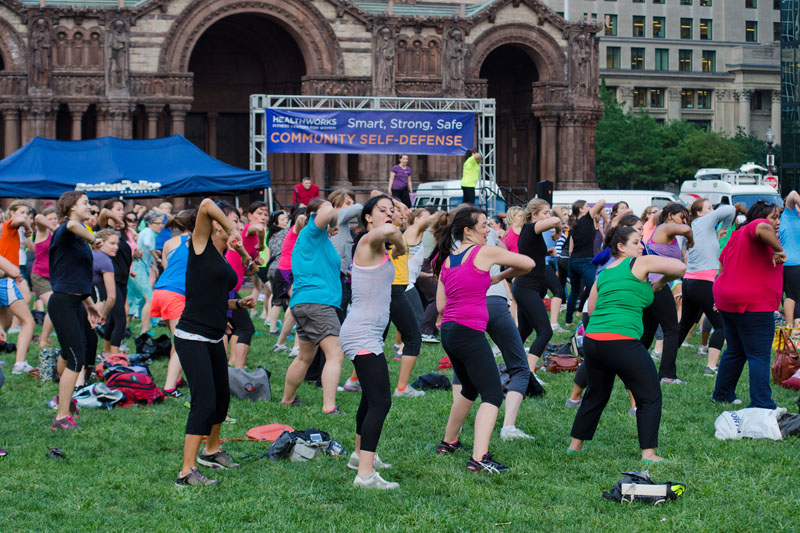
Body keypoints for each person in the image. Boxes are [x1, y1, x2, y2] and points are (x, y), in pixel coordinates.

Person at [568, 226, 686, 462]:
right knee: (650, 395)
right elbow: (680, 267)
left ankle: (575, 446)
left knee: (596, 394)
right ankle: (649, 453)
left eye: (641, 241)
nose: (641, 246)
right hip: (621, 342)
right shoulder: (638, 264)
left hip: (593, 341)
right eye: (636, 242)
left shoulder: (604, 273)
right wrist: (662, 281)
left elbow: (591, 310)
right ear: (621, 247)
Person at [432, 207, 534, 473]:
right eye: (484, 225)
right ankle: (479, 458)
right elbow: (528, 263)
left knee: (468, 386)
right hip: (468, 332)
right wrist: (499, 276)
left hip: (450, 332)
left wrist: (484, 281)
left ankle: (449, 441)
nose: (488, 229)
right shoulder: (484, 252)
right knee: (491, 394)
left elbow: (441, 304)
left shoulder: (447, 260)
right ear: (468, 230)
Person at [174, 199, 254, 486]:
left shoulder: (221, 258)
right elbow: (207, 204)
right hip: (192, 336)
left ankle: (211, 450)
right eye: (231, 220)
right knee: (204, 401)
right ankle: (185, 472)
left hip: (213, 336)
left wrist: (238, 304)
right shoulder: (200, 247)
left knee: (222, 397)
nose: (236, 226)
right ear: (217, 226)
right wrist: (233, 228)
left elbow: (215, 296)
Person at [340, 195, 406, 489]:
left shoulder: (379, 247)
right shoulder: (367, 241)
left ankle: (359, 456)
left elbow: (396, 235)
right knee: (381, 400)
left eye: (392, 210)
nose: (389, 215)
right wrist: (400, 240)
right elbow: (394, 234)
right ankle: (365, 475)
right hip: (362, 333)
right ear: (367, 217)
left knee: (370, 397)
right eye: (383, 210)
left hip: (369, 332)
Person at [712, 200, 785, 409]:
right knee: (759, 354)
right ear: (761, 218)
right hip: (751, 304)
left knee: (736, 350)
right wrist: (778, 250)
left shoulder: (738, 234)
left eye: (778, 218)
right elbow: (761, 227)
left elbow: (723, 262)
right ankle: (762, 403)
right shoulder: (757, 226)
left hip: (729, 299)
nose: (777, 222)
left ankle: (722, 394)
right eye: (774, 217)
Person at [280, 198, 346, 414]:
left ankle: (287, 400)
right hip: (317, 303)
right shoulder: (311, 231)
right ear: (313, 215)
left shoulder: (316, 238)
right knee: (335, 354)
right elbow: (329, 212)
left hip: (305, 303)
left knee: (304, 356)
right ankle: (329, 407)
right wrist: (333, 220)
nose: (333, 210)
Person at [48, 191, 103, 430]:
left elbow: (77, 276)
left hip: (75, 302)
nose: (90, 206)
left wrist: (90, 305)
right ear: (71, 207)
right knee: (76, 357)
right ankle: (62, 417)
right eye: (85, 203)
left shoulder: (79, 240)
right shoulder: (66, 230)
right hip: (62, 302)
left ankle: (63, 394)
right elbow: (71, 224)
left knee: (77, 348)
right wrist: (93, 239)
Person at [676, 199, 738, 377]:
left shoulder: (696, 226)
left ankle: (667, 365)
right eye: (709, 208)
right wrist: (726, 225)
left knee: (684, 325)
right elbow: (730, 208)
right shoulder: (705, 221)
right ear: (700, 213)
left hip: (689, 282)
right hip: (703, 282)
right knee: (721, 325)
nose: (713, 210)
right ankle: (711, 366)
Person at [642, 202, 692, 385]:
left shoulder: (667, 232)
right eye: (681, 216)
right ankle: (667, 375)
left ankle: (630, 366)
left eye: (686, 217)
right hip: (657, 286)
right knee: (672, 329)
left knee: (647, 331)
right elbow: (686, 229)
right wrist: (692, 239)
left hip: (652, 285)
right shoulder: (665, 227)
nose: (684, 221)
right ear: (670, 215)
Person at [513, 199, 563, 371]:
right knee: (545, 332)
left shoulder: (532, 233)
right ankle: (529, 373)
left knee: (523, 332)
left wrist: (545, 252)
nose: (548, 216)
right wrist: (558, 231)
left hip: (531, 287)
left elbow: (531, 253)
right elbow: (557, 220)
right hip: (526, 288)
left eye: (548, 212)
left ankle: (513, 367)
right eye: (545, 212)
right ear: (534, 215)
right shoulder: (531, 228)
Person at [151, 210, 195, 397]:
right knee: (183, 342)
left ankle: (176, 378)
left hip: (161, 291)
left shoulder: (169, 242)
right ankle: (169, 388)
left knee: (178, 340)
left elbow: (166, 267)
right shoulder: (195, 241)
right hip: (175, 293)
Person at [97, 199, 139, 354]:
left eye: (122, 209)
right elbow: (103, 213)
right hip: (109, 281)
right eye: (118, 209)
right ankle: (115, 358)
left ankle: (107, 351)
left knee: (114, 319)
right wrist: (115, 219)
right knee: (121, 318)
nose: (122, 212)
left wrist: (134, 258)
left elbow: (121, 257)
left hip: (122, 280)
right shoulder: (105, 230)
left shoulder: (121, 232)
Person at [0, 200, 36, 374]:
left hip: (7, 278)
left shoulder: (12, 231)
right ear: (11, 213)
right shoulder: (9, 226)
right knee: (28, 320)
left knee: (4, 323)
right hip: (6, 280)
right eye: (22, 212)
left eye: (27, 213)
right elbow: (20, 222)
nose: (25, 216)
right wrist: (28, 227)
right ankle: (20, 364)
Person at [565, 199, 606, 326]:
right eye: (587, 206)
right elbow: (602, 202)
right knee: (595, 289)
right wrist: (597, 210)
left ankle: (568, 321)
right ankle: (596, 318)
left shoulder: (574, 224)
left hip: (573, 261)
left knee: (574, 291)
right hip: (585, 260)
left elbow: (571, 249)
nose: (589, 207)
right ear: (581, 209)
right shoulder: (587, 218)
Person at [129, 211, 162, 335]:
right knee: (150, 297)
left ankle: (129, 328)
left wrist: (152, 261)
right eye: (157, 223)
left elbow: (146, 247)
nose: (160, 226)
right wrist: (157, 258)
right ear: (149, 223)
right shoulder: (148, 232)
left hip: (140, 267)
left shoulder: (147, 232)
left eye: (161, 223)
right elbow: (148, 245)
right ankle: (145, 330)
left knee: (134, 298)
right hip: (138, 268)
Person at [31, 206, 58, 352]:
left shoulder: (57, 234)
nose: (54, 221)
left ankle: (45, 337)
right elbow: (38, 218)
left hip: (54, 276)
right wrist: (53, 227)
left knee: (57, 306)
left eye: (55, 218)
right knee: (54, 305)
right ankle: (42, 340)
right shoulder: (43, 231)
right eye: (51, 218)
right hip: (40, 276)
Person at [779, 191, 800, 326]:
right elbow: (793, 193)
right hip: (794, 264)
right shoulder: (788, 215)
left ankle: (791, 327)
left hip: (787, 264)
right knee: (795, 296)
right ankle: (793, 326)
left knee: (792, 296)